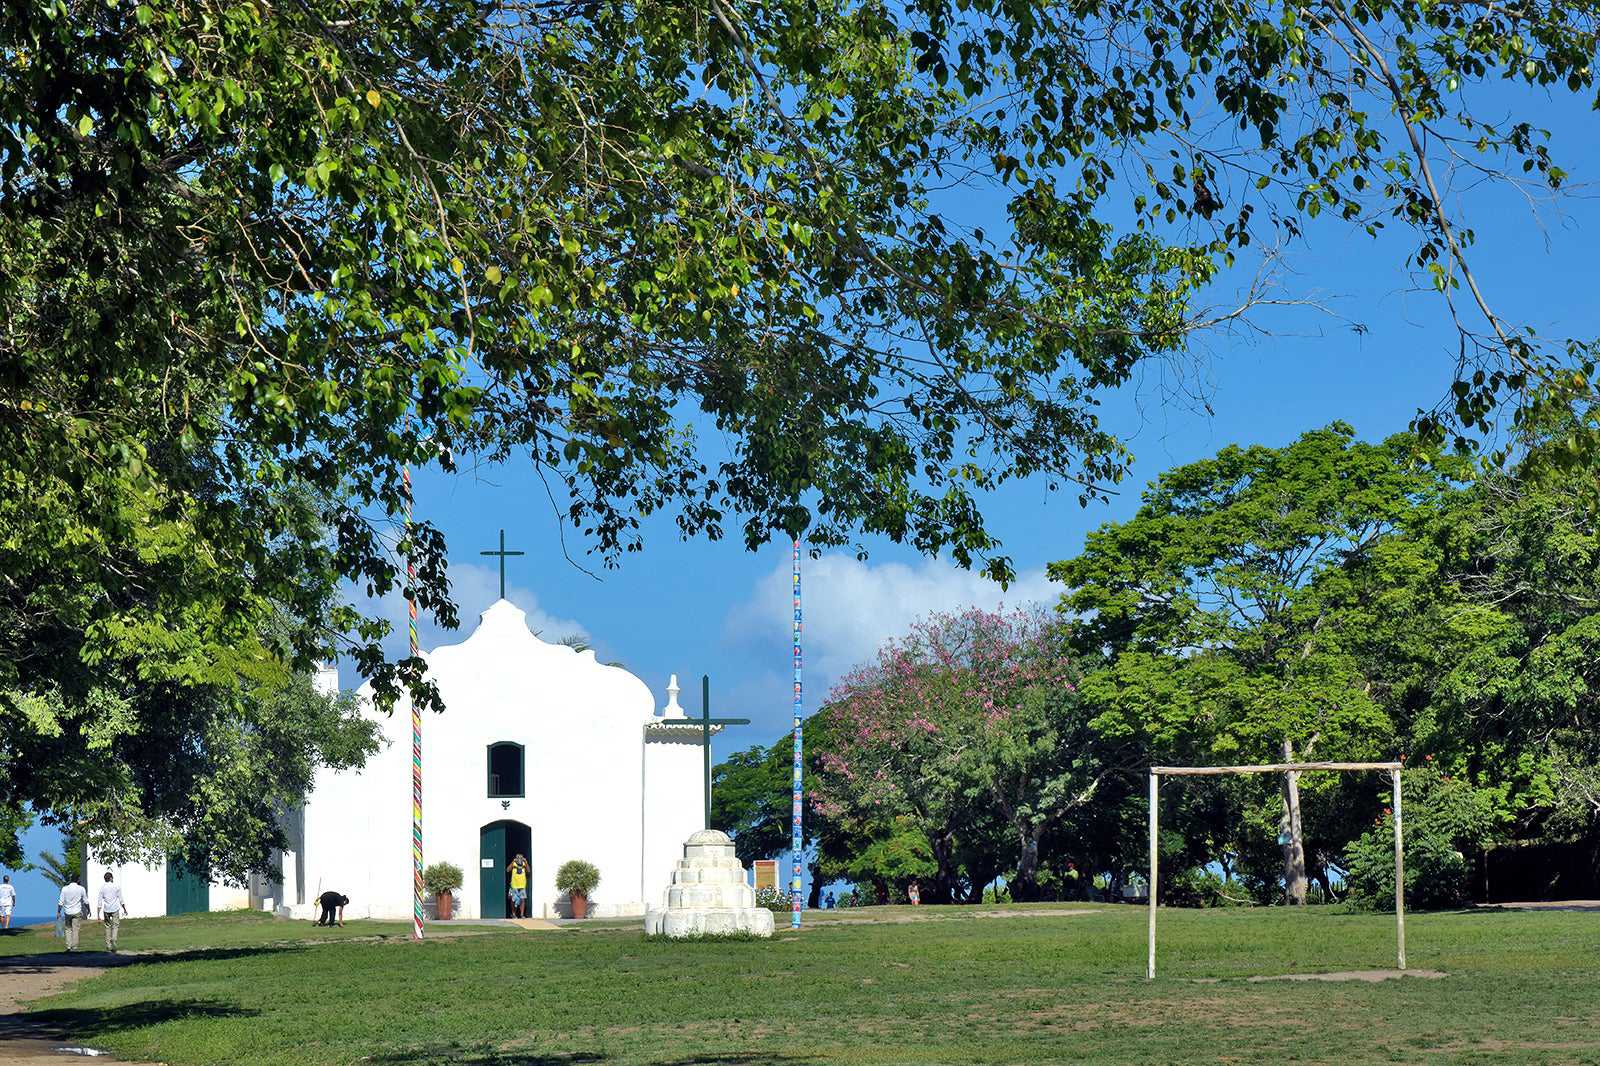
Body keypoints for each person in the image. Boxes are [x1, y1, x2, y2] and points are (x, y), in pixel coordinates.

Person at [97, 872, 128, 952]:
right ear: (110, 878)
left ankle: (108, 945)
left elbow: (99, 902)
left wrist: (98, 914)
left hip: (106, 909)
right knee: (115, 925)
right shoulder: (116, 886)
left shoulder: (102, 888)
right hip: (115, 908)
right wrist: (124, 909)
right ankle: (114, 939)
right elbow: (121, 899)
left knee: (107, 926)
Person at [57, 875, 88, 951]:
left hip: (67, 912)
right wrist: (88, 909)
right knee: (75, 930)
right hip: (77, 912)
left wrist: (58, 912)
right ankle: (74, 947)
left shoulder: (65, 889)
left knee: (68, 929)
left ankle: (68, 946)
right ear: (77, 880)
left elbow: (61, 902)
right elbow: (85, 901)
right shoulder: (81, 889)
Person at [507, 854, 529, 919]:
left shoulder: (524, 864)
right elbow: (508, 870)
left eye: (521, 858)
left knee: (522, 899)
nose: (519, 859)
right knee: (513, 900)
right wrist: (513, 862)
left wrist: (526, 862)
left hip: (522, 885)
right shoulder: (513, 864)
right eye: (518, 858)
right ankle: (513, 913)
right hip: (514, 885)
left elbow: (528, 870)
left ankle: (522, 914)